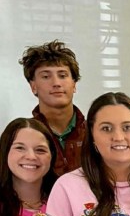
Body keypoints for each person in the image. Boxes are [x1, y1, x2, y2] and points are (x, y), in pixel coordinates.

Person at [19, 40, 85, 175]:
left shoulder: (95, 132)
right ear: (33, 86)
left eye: (62, 75)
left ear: (74, 84)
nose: (56, 83)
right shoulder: (20, 136)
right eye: (45, 76)